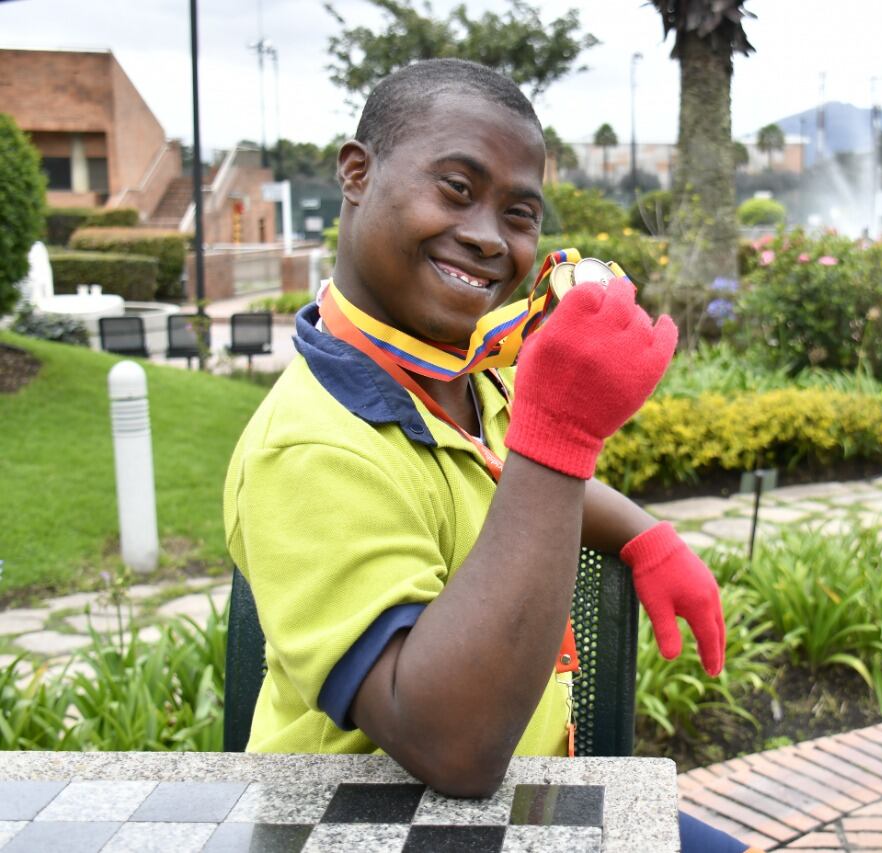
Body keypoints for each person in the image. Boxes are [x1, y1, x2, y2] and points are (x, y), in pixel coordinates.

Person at [223, 59, 757, 852]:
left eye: (519, 212)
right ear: (357, 173)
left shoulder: (469, 378)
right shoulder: (309, 446)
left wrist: (645, 534)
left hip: (518, 803)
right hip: (359, 827)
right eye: (456, 188)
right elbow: (452, 746)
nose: (485, 235)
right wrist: (562, 433)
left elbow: (498, 470)